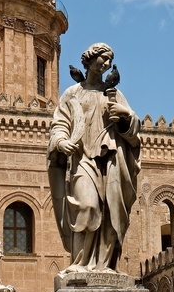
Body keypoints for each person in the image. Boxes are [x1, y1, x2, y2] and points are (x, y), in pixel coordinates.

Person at [47, 43, 141, 274]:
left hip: (110, 159)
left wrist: (125, 117)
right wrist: (61, 141)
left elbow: (134, 128)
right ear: (90, 60)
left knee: (111, 213)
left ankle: (105, 265)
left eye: (110, 60)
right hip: (82, 158)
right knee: (87, 206)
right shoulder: (73, 93)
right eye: (103, 59)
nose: (107, 64)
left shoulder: (114, 93)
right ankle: (81, 263)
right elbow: (60, 122)